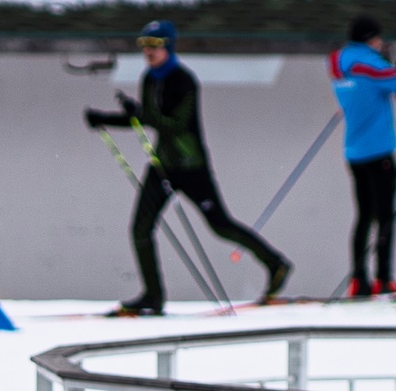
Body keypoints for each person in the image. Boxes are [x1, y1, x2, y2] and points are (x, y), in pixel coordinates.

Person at [84, 20, 292, 315]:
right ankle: (153, 297)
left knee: (220, 226)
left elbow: (176, 125)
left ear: (168, 46)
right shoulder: (150, 79)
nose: (148, 51)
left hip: (191, 166)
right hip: (163, 164)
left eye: (154, 45)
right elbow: (146, 120)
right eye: (144, 45)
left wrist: (140, 113)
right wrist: (105, 118)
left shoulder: (184, 80)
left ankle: (276, 264)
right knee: (140, 228)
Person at [330, 14, 396, 298]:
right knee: (385, 217)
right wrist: (387, 60)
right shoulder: (370, 64)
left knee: (364, 217)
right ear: (371, 38)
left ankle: (359, 278)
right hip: (378, 151)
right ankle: (383, 278)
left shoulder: (337, 62)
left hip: (354, 153)